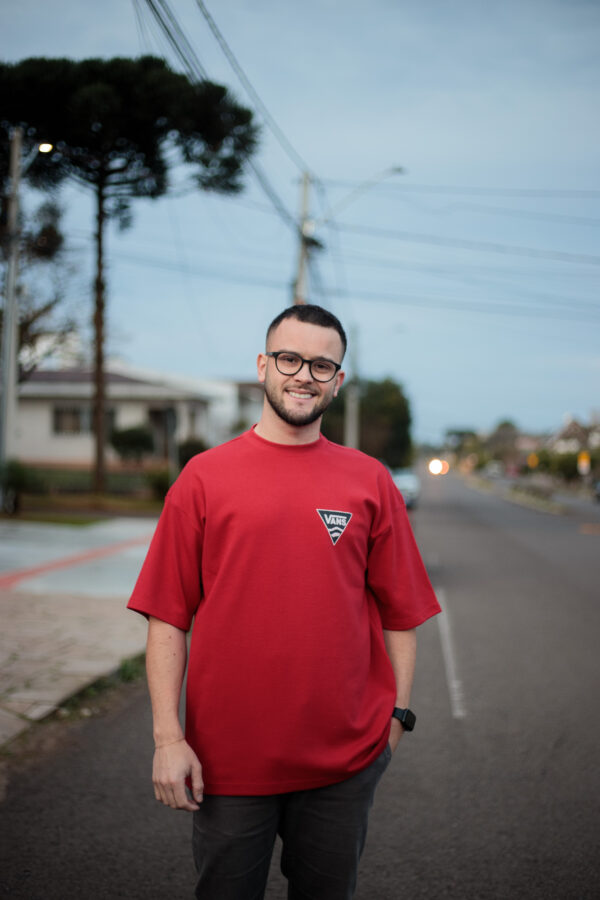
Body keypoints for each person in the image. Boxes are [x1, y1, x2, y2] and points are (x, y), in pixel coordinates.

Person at [128, 303, 441, 899]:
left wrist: (395, 721)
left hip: (344, 762)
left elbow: (401, 614)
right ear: (263, 366)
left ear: (338, 381)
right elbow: (167, 616)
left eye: (323, 365)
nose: (305, 375)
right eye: (291, 359)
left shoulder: (370, 481)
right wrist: (169, 739)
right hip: (228, 761)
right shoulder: (203, 478)